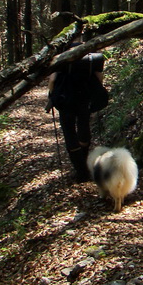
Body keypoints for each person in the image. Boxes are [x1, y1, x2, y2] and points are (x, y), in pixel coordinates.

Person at [45, 33, 106, 182]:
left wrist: (51, 97)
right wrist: (96, 92)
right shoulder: (90, 54)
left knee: (69, 131)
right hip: (84, 96)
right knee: (83, 126)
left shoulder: (62, 55)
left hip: (65, 99)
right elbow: (99, 77)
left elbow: (52, 79)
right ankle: (84, 159)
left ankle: (80, 170)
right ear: (80, 39)